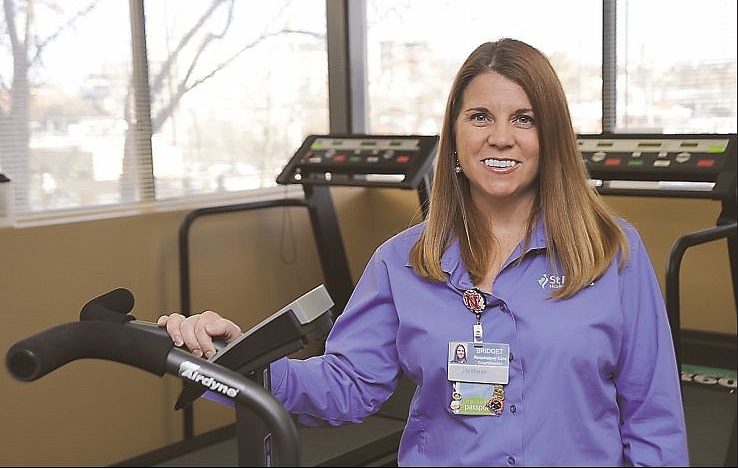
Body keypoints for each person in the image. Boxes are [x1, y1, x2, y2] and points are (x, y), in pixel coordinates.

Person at [159, 38, 689, 466]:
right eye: (480, 116)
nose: (500, 137)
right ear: (454, 134)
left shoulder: (612, 253)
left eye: (524, 119)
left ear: (551, 136)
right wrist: (236, 360)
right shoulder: (403, 261)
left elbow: (653, 417)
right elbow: (348, 385)